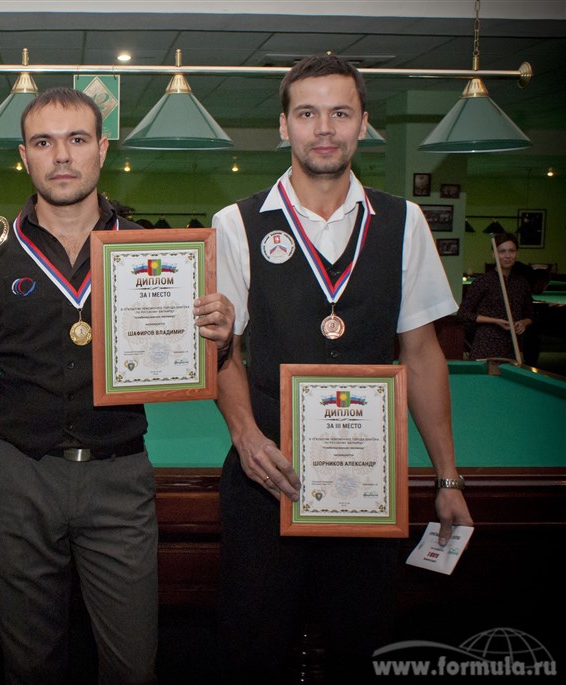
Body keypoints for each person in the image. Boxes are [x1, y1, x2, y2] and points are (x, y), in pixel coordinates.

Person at [0, 87, 234, 684]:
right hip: (20, 476)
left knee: (132, 666)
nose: (62, 155)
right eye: (44, 142)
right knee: (29, 665)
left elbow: (190, 359)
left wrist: (218, 337)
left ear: (102, 149)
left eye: (76, 139)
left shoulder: (154, 252)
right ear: (24, 156)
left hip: (120, 477)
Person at [212, 54, 473, 682]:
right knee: (253, 654)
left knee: (364, 650)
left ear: (362, 124)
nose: (323, 128)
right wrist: (245, 436)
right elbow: (221, 350)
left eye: (340, 113)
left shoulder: (405, 221)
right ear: (284, 125)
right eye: (307, 113)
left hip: (369, 483)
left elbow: (422, 353)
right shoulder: (236, 223)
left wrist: (447, 478)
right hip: (265, 477)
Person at [458, 232, 533, 361]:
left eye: (512, 251)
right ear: (494, 254)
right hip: (486, 347)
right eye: (502, 251)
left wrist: (524, 322)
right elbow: (463, 314)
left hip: (513, 348)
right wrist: (495, 321)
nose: (507, 256)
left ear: (517, 254)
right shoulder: (483, 282)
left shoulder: (521, 283)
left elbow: (530, 314)